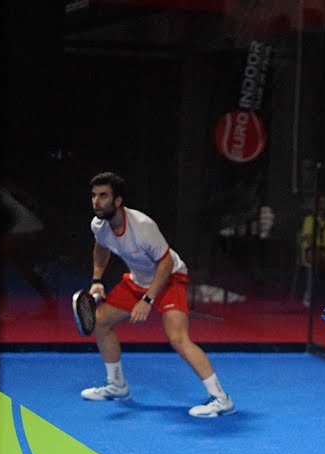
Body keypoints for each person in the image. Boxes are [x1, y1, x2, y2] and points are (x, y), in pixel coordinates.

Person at [81, 171, 236, 418]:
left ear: (118, 200)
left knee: (178, 337)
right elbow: (101, 248)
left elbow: (165, 264)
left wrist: (147, 300)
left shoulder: (142, 227)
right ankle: (117, 385)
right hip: (138, 280)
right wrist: (97, 280)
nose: (96, 202)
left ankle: (221, 398)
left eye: (103, 196)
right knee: (100, 321)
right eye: (94, 196)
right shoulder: (99, 225)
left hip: (170, 278)